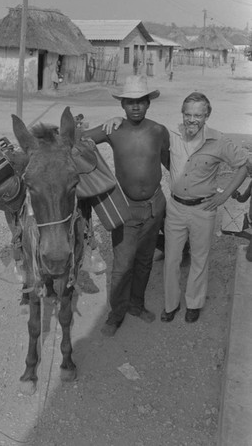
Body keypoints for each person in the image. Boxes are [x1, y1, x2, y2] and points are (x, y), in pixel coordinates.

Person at [82, 75, 169, 337]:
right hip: (126, 208)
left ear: (148, 104)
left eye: (140, 101)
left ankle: (136, 304)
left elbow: (168, 161)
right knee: (122, 265)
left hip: (154, 206)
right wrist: (106, 123)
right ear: (122, 104)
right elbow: (79, 140)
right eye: (130, 102)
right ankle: (115, 314)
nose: (135, 107)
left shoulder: (158, 130)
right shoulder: (113, 129)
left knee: (144, 261)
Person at [161, 92, 248, 323]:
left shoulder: (219, 141)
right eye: (188, 114)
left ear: (207, 115)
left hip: (204, 210)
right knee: (171, 258)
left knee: (200, 258)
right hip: (176, 208)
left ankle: (194, 303)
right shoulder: (172, 136)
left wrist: (224, 196)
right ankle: (170, 305)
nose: (192, 120)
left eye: (198, 115)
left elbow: (244, 166)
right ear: (182, 114)